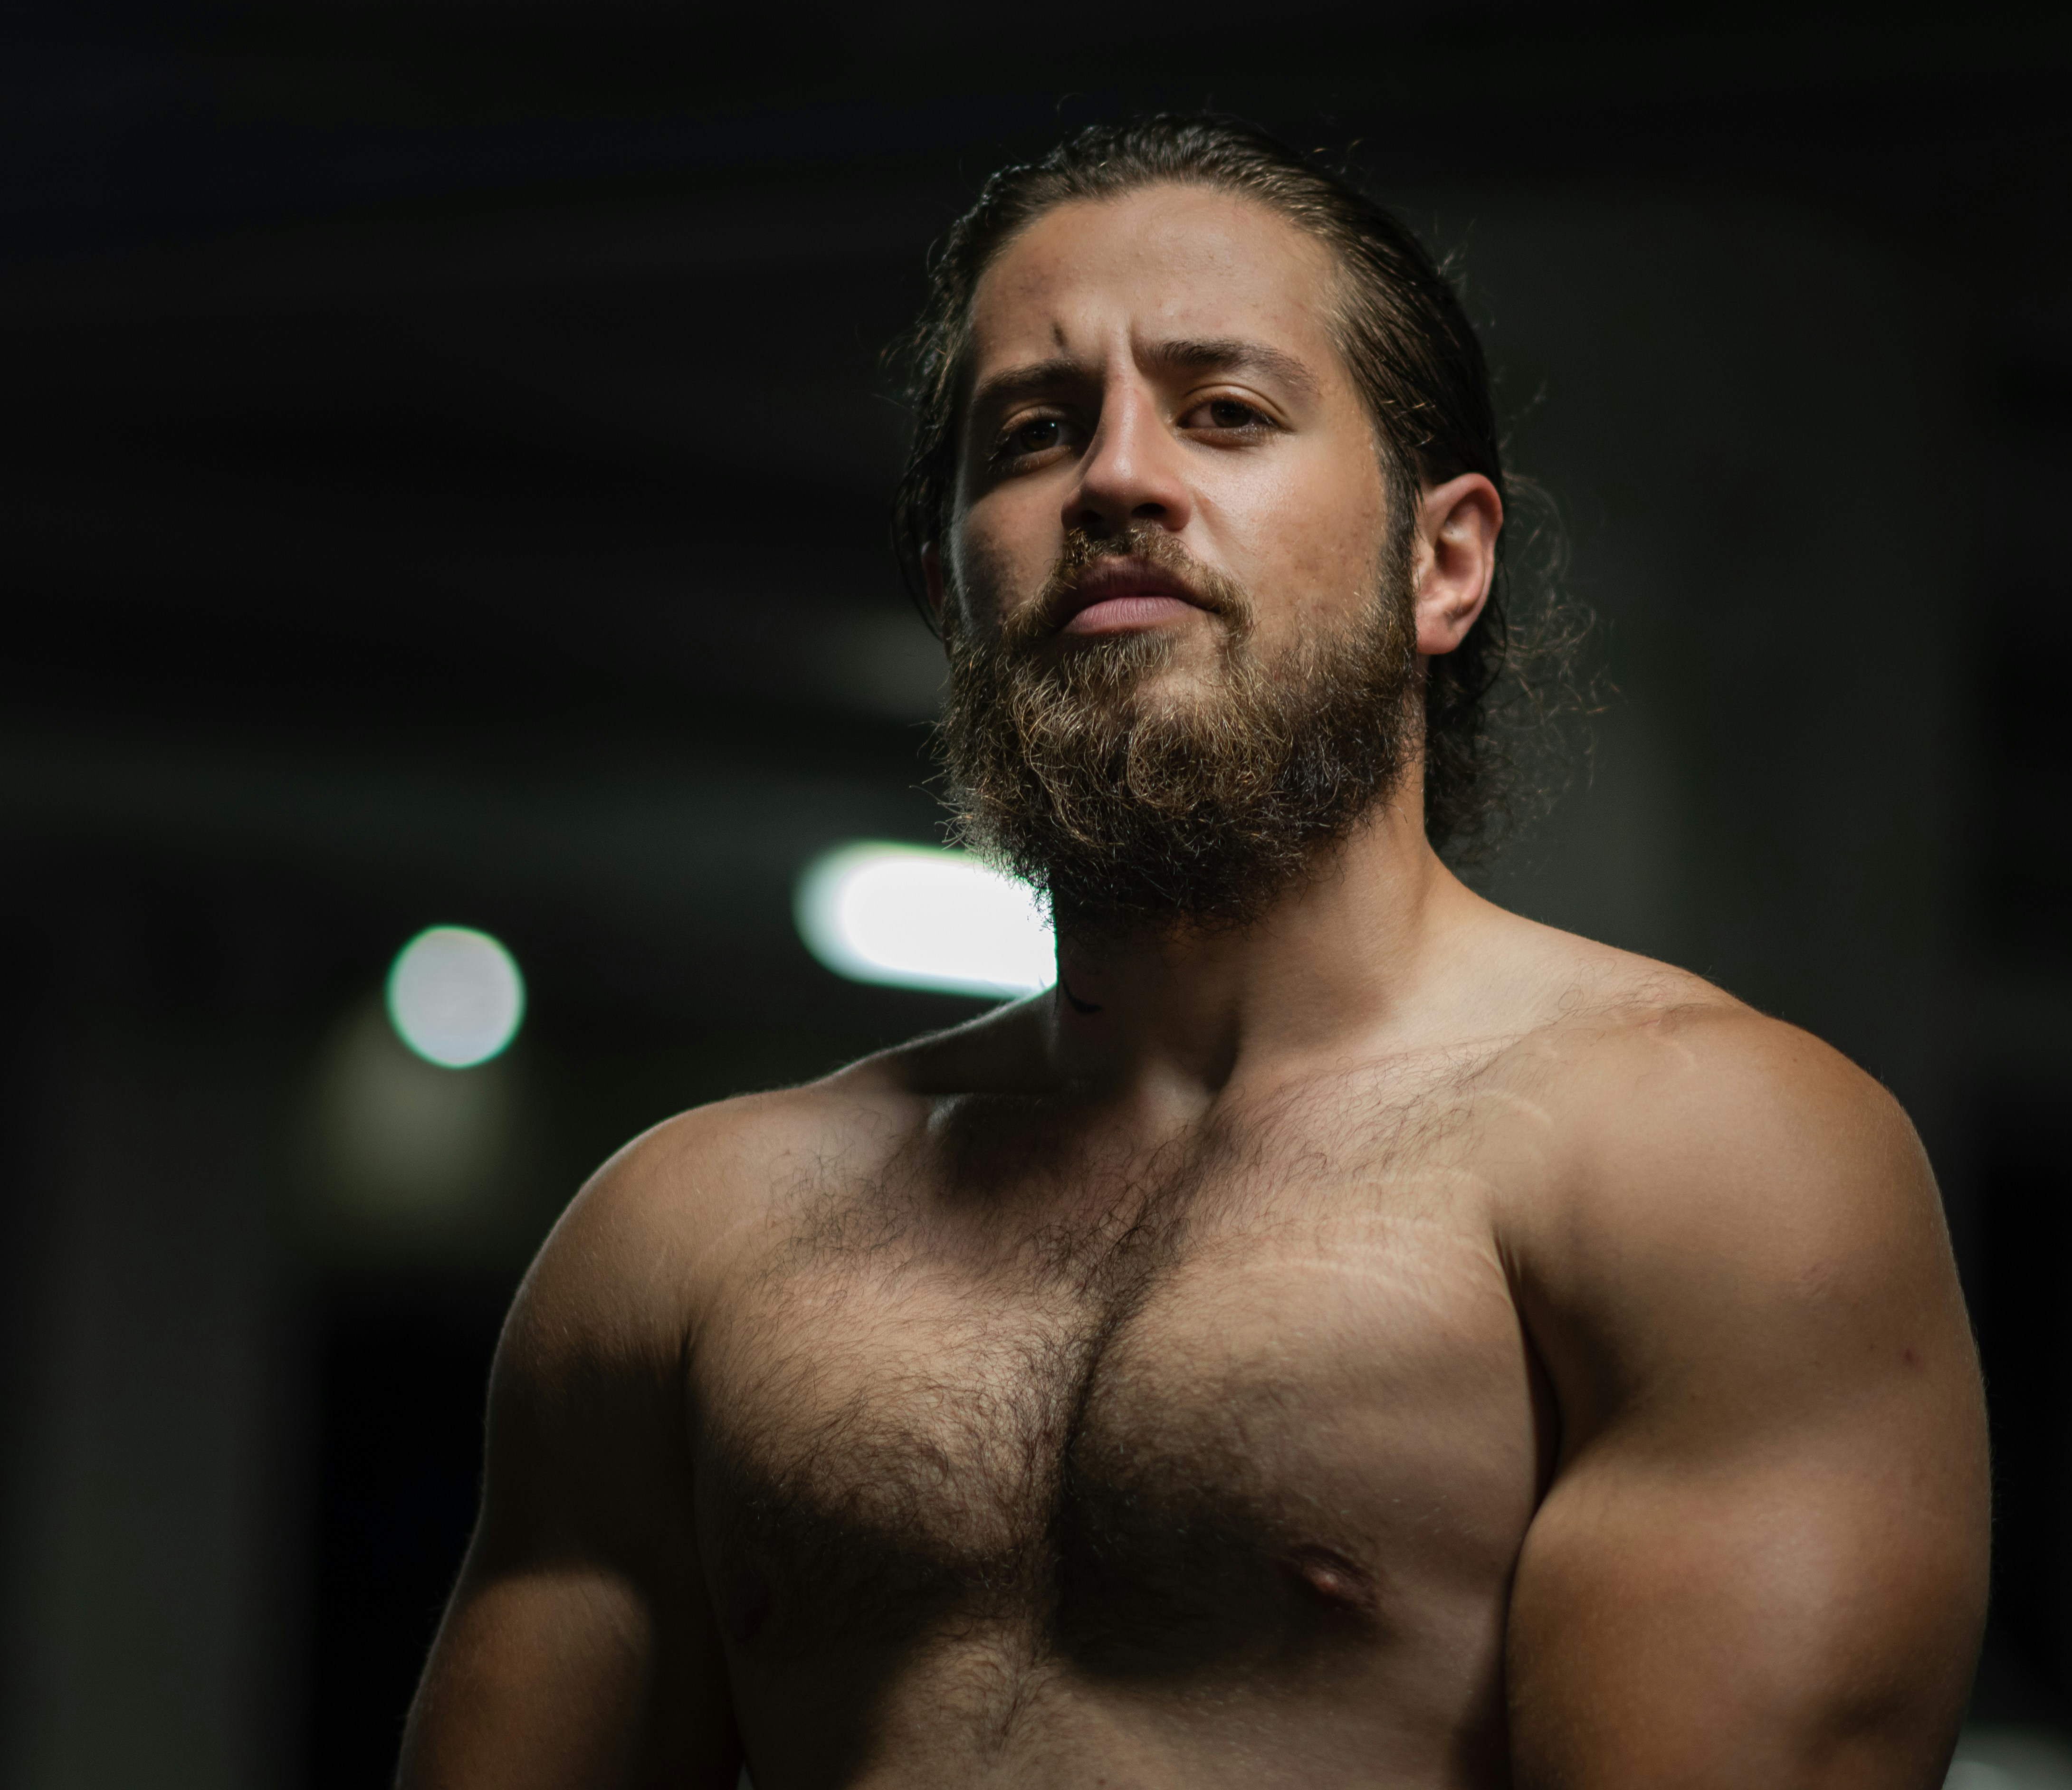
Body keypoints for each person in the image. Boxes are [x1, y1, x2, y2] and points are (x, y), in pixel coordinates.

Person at [397, 116, 1989, 1790]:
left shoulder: (1700, 1163)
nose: (1115, 479)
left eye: (1225, 412)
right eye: (1033, 433)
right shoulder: (685, 1244)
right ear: (948, 593)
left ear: (1443, 562)